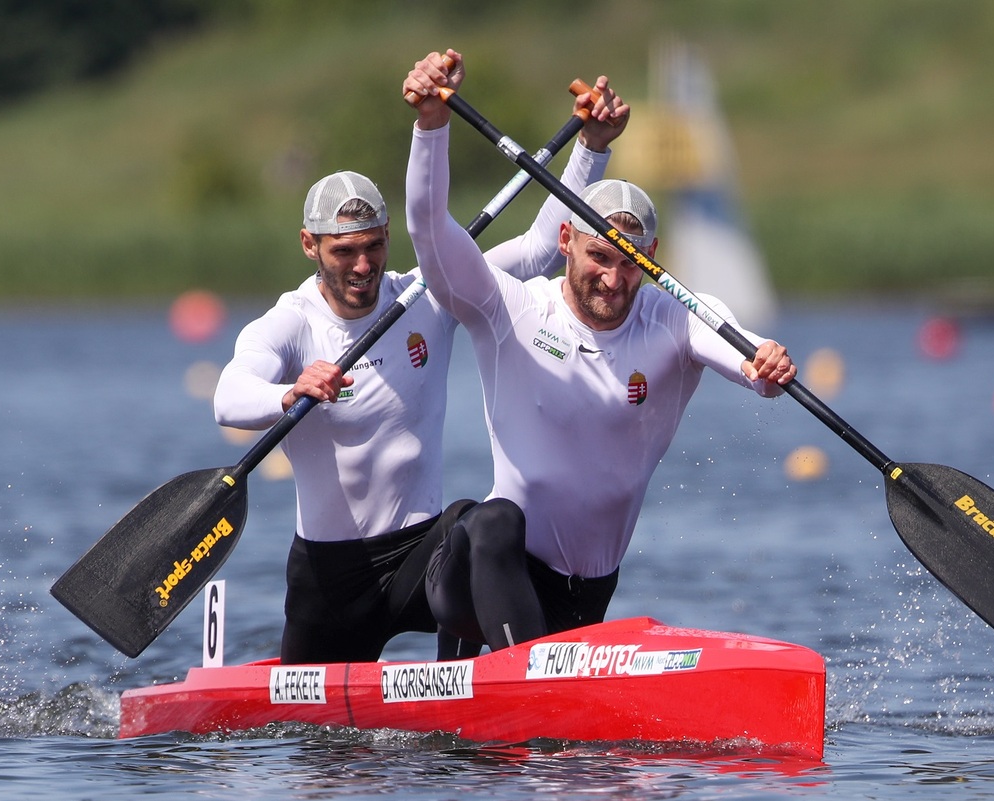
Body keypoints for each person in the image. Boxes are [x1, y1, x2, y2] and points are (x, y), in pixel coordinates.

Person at [212, 60, 630, 664]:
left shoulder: (427, 296)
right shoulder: (293, 322)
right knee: (324, 759)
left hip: (420, 559)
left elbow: (542, 249)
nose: (363, 266)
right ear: (310, 246)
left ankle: (519, 680)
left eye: (374, 246)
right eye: (344, 251)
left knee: (490, 522)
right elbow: (228, 394)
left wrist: (590, 147)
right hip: (331, 578)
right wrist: (287, 392)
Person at [402, 50, 798, 657]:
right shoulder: (509, 305)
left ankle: (494, 684)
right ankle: (509, 675)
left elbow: (750, 362)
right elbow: (432, 237)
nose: (613, 280)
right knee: (492, 521)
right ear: (566, 241)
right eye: (599, 257)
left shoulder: (673, 314)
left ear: (653, 256)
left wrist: (766, 364)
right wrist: (432, 125)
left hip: (586, 592)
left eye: (630, 263)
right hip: (481, 574)